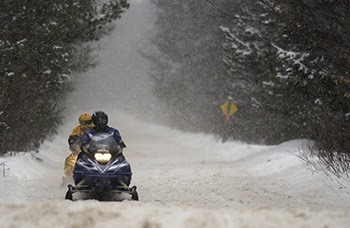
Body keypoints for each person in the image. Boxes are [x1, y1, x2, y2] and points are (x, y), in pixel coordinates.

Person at [63, 113, 94, 182]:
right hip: (82, 151)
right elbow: (72, 140)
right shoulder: (77, 130)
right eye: (84, 123)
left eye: (88, 122)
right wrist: (74, 146)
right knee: (70, 161)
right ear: (80, 123)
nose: (86, 125)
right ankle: (69, 178)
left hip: (96, 151)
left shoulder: (96, 128)